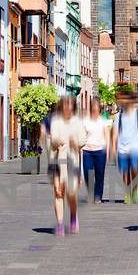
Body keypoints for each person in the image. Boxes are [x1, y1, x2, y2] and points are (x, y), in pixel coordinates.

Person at [45, 93, 85, 235]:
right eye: (65, 104)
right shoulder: (56, 121)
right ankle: (60, 223)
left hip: (71, 162)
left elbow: (82, 141)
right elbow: (54, 139)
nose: (67, 107)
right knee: (58, 193)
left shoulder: (78, 122)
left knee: (71, 194)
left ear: (73, 106)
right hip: (56, 160)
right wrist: (60, 140)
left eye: (70, 104)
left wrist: (75, 142)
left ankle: (73, 216)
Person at [112, 91, 138, 204]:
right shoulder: (119, 116)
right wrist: (113, 148)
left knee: (135, 170)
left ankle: (134, 189)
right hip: (122, 148)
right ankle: (127, 193)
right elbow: (115, 133)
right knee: (125, 172)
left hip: (136, 147)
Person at [80, 97, 111, 204]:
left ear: (99, 109)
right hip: (87, 151)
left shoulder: (103, 121)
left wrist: (108, 152)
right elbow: (82, 136)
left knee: (99, 174)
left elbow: (107, 137)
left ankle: (98, 196)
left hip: (100, 151)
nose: (95, 111)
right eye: (93, 108)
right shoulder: (85, 121)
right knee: (88, 173)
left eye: (96, 109)